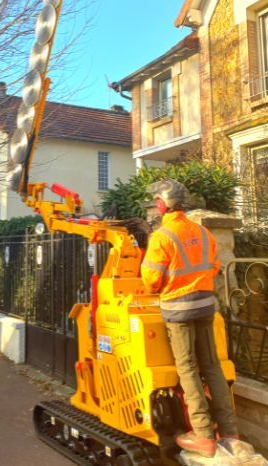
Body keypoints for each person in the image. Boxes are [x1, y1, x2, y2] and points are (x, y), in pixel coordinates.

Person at [140, 178, 239, 458]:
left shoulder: (161, 236)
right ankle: (230, 432)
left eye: (156, 200)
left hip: (178, 311)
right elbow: (214, 266)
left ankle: (204, 435)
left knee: (187, 369)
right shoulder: (203, 232)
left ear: (162, 204)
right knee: (212, 366)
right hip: (206, 306)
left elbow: (150, 280)